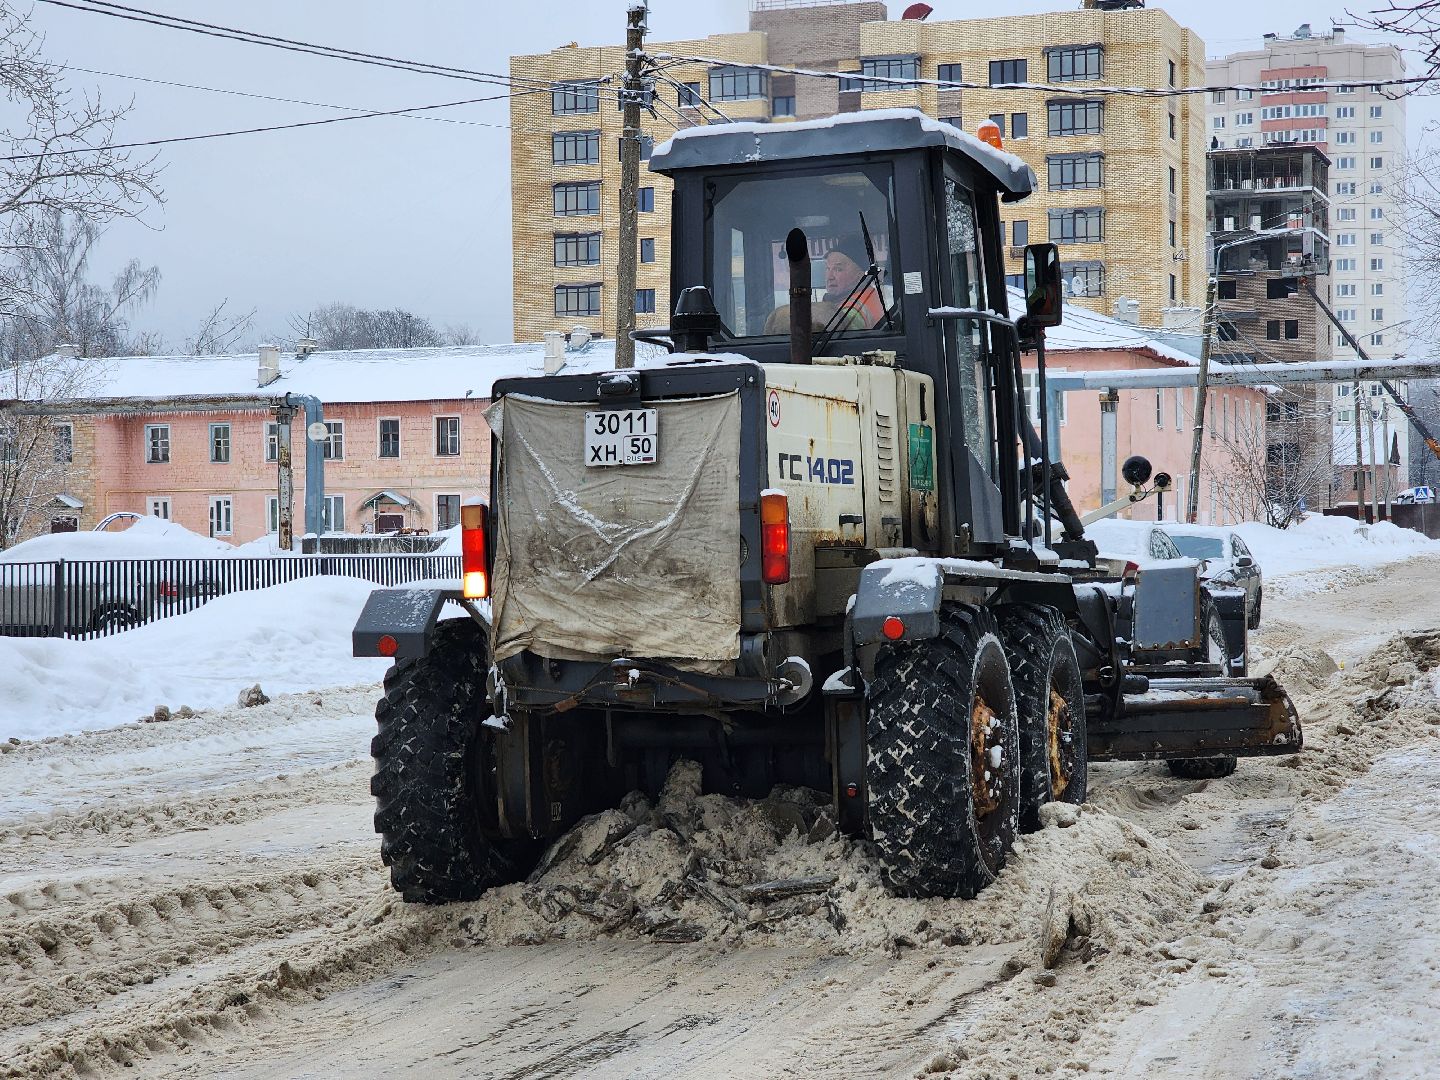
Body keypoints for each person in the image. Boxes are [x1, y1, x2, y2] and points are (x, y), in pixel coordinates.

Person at [823, 236, 885, 329]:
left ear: (860, 276)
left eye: (838, 269)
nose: (830, 277)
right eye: (828, 268)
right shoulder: (868, 295)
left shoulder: (852, 311)